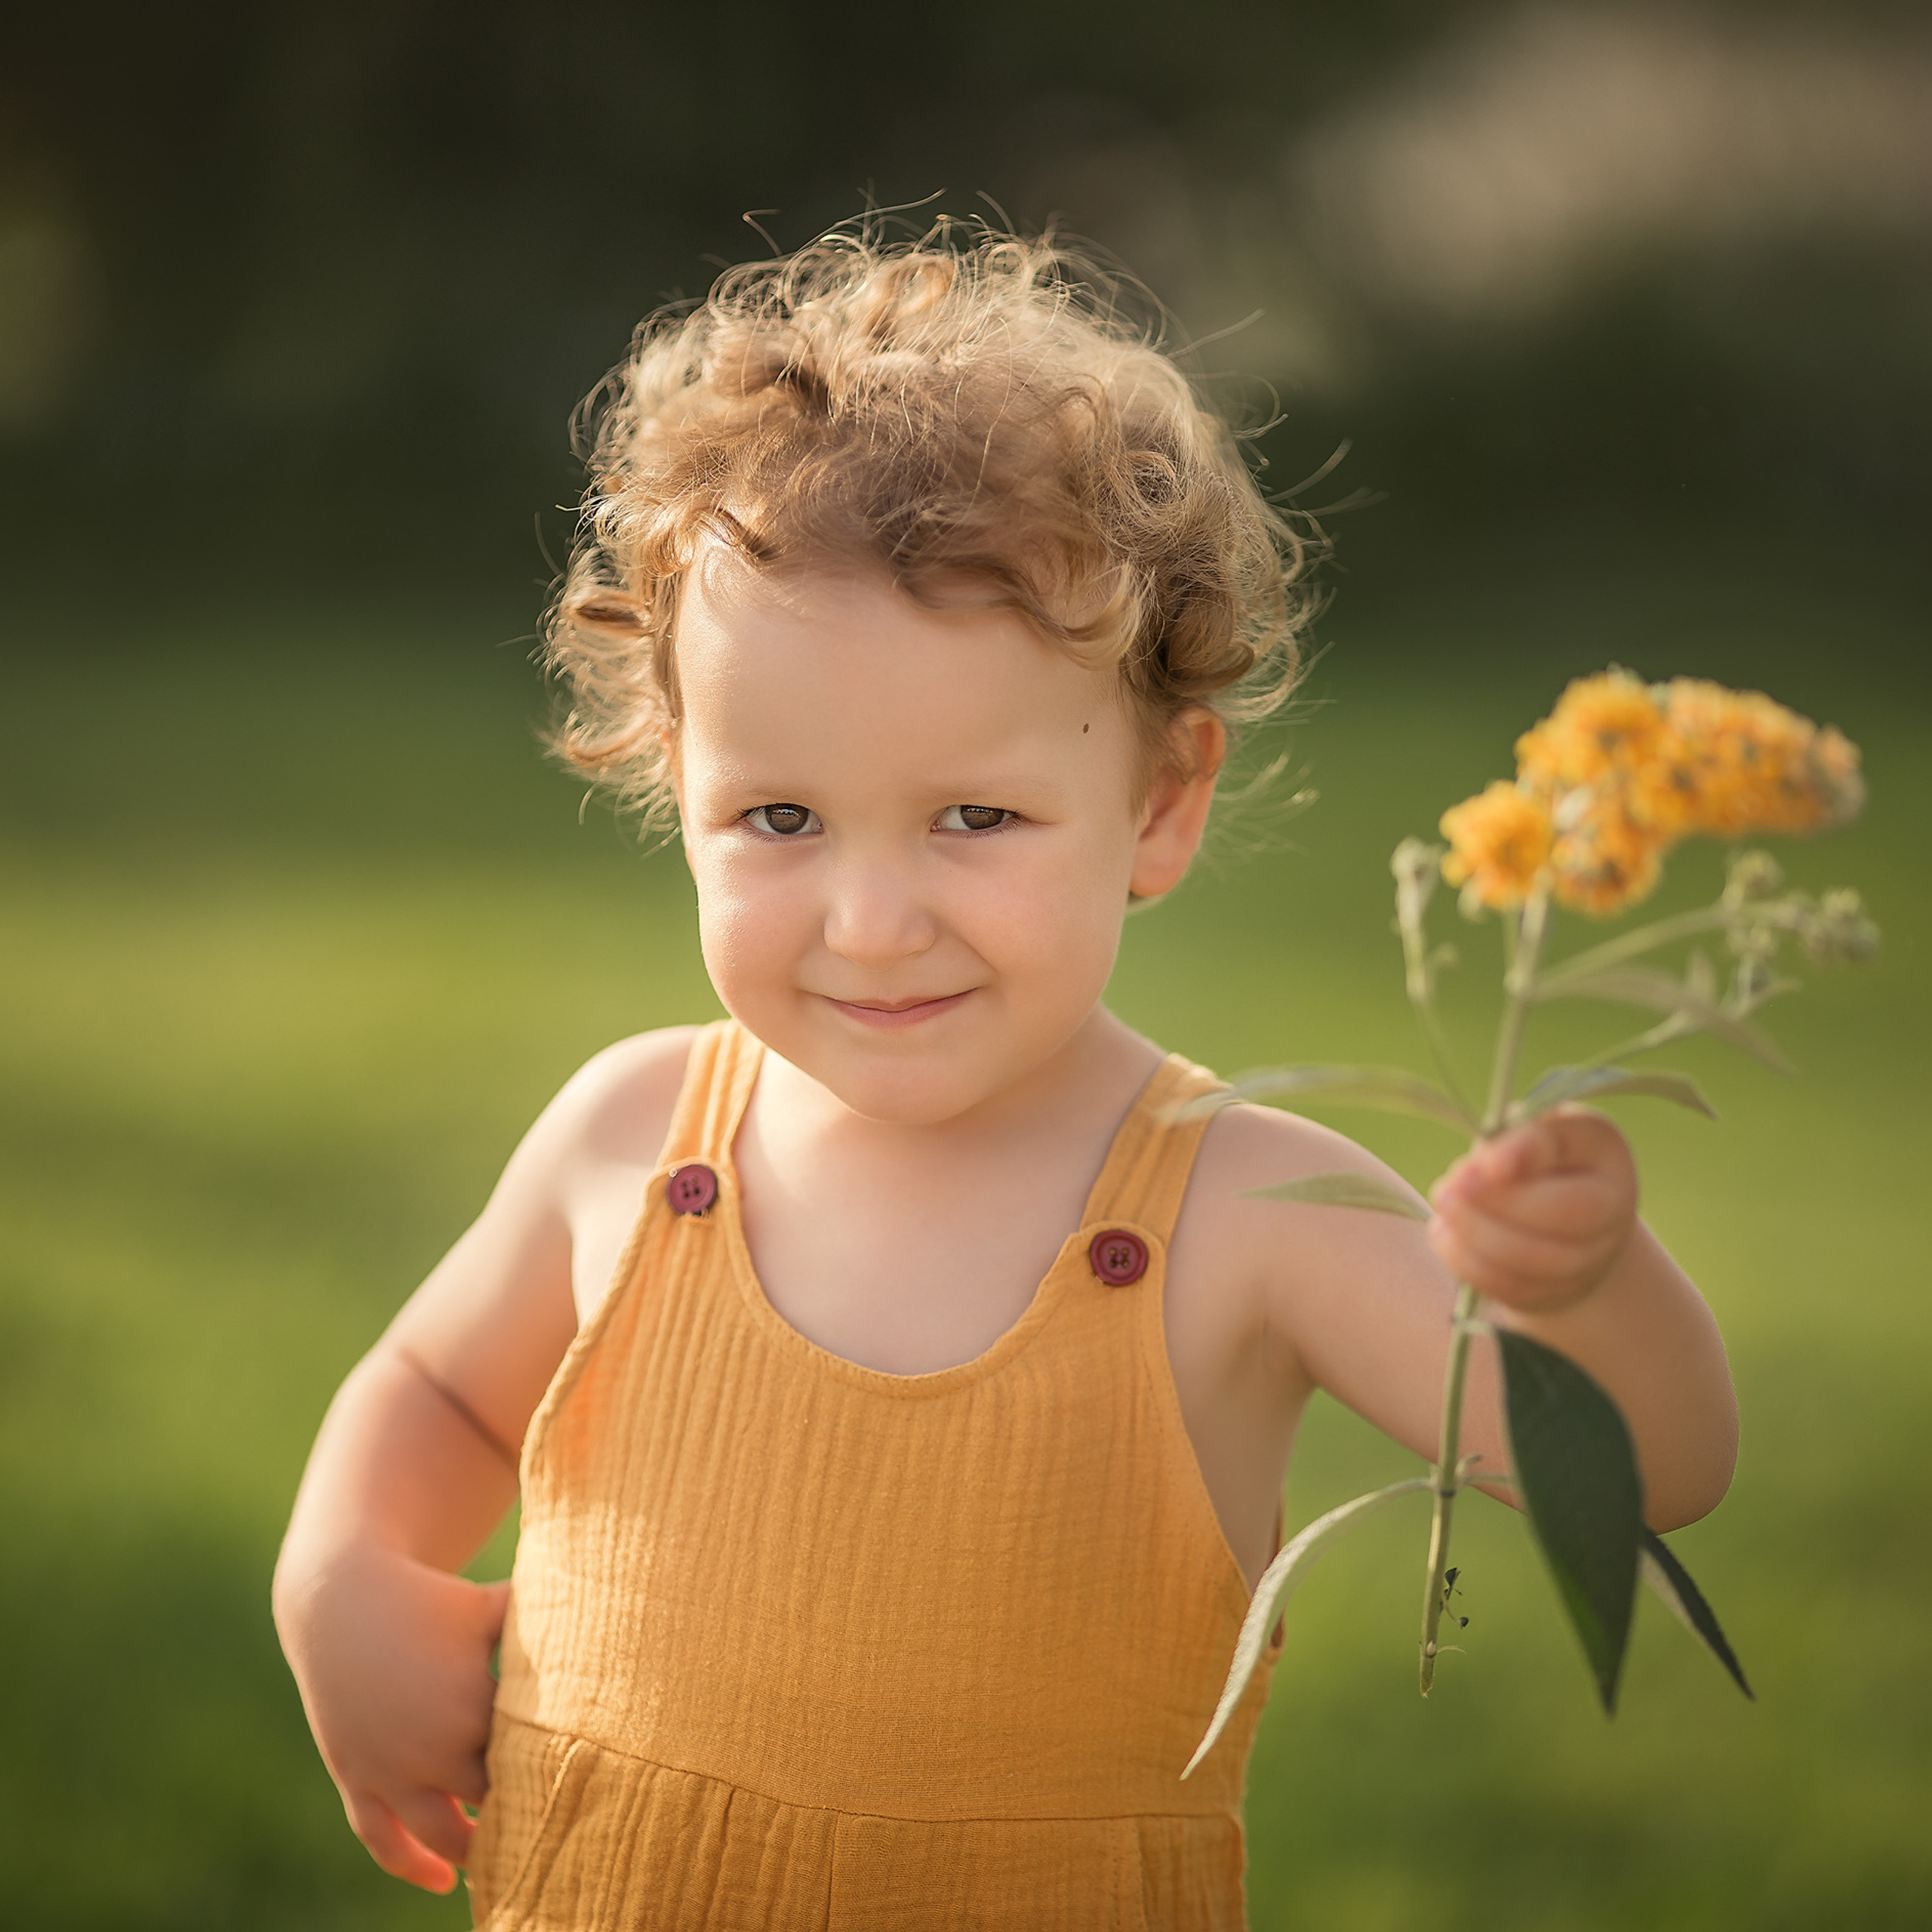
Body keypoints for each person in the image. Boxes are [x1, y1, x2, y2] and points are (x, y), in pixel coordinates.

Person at [272, 226, 1738, 1930]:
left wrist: (1584, 1284)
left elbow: (1640, 1469)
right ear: (678, 782)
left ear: (1163, 800)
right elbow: (443, 1394)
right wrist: (340, 1575)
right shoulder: (630, 1131)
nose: (871, 921)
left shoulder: (1239, 1210)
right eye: (778, 818)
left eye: (973, 818)